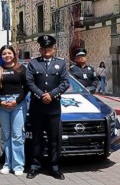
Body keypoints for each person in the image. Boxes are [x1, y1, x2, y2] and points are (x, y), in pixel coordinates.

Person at [26, 35, 69, 180]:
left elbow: (65, 83)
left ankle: (54, 167)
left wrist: (51, 95)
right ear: (40, 49)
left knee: (54, 139)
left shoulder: (61, 64)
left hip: (53, 108)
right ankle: (34, 166)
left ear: (54, 49)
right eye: (44, 48)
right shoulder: (33, 63)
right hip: (37, 108)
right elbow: (29, 82)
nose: (47, 50)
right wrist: (41, 95)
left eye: (49, 48)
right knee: (36, 138)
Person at [0, 45, 28, 176]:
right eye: (4, 53)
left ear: (14, 54)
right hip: (2, 104)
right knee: (6, 135)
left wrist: (16, 101)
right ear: (1, 56)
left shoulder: (21, 69)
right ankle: (7, 164)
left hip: (17, 104)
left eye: (9, 53)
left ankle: (18, 165)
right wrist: (0, 102)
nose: (7, 55)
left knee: (17, 136)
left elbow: (27, 88)